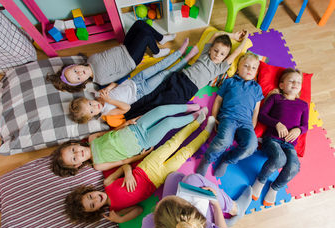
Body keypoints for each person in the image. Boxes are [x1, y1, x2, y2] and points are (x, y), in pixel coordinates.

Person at [64, 115, 215, 224]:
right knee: (184, 154)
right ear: (94, 211)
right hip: (158, 180)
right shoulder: (116, 210)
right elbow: (138, 210)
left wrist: (128, 174)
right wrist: (121, 219)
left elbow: (125, 166)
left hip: (146, 167)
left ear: (89, 191)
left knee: (173, 143)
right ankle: (206, 132)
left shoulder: (107, 182)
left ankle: (196, 123)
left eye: (90, 196)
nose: (96, 199)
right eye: (92, 204)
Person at [123, 29, 251, 120]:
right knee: (151, 95)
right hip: (177, 77)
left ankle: (130, 119)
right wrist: (233, 35)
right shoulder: (205, 54)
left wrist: (244, 39)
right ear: (211, 49)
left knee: (158, 103)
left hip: (186, 90)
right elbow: (216, 34)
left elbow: (237, 52)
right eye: (216, 50)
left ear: (225, 57)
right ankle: (125, 111)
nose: (218, 55)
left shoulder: (220, 67)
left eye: (222, 54)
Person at [68, 38, 199, 126]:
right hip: (141, 92)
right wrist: (109, 100)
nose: (94, 107)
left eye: (90, 104)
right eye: (91, 111)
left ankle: (179, 52)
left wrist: (108, 88)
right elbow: (126, 108)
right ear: (93, 116)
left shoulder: (98, 94)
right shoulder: (107, 112)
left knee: (158, 66)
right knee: (165, 74)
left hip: (134, 80)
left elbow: (115, 84)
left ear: (89, 99)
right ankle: (186, 58)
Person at [51, 104, 207, 177]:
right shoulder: (98, 165)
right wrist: (140, 156)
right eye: (74, 157)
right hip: (143, 142)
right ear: (77, 164)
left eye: (73, 149)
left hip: (134, 127)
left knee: (160, 110)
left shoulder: (92, 138)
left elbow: (111, 133)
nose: (77, 152)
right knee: (169, 123)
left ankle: (188, 107)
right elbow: (121, 162)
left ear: (74, 144)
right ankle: (195, 118)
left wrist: (126, 123)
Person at [46, 20, 176, 92]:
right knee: (146, 36)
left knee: (139, 24)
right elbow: (120, 75)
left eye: (75, 70)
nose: (80, 72)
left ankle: (161, 38)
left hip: (124, 48)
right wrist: (131, 66)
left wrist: (121, 46)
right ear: (83, 82)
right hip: (130, 59)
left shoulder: (90, 58)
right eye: (78, 77)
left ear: (76, 65)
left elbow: (107, 53)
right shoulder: (101, 79)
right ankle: (156, 52)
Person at [196, 52, 263, 177]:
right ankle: (207, 159)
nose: (249, 69)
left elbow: (256, 110)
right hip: (228, 118)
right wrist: (214, 117)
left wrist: (252, 126)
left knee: (251, 146)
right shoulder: (230, 82)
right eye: (246, 66)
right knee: (224, 141)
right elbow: (218, 100)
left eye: (254, 68)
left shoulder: (257, 88)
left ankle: (227, 160)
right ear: (238, 68)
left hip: (246, 123)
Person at [252, 68, 309, 206]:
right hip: (272, 139)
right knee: (279, 159)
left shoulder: (303, 105)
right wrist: (276, 124)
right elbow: (262, 115)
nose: (295, 83)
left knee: (294, 167)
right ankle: (260, 180)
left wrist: (298, 130)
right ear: (282, 85)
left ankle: (275, 188)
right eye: (291, 81)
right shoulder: (276, 98)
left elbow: (305, 125)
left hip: (289, 144)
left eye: (298, 82)